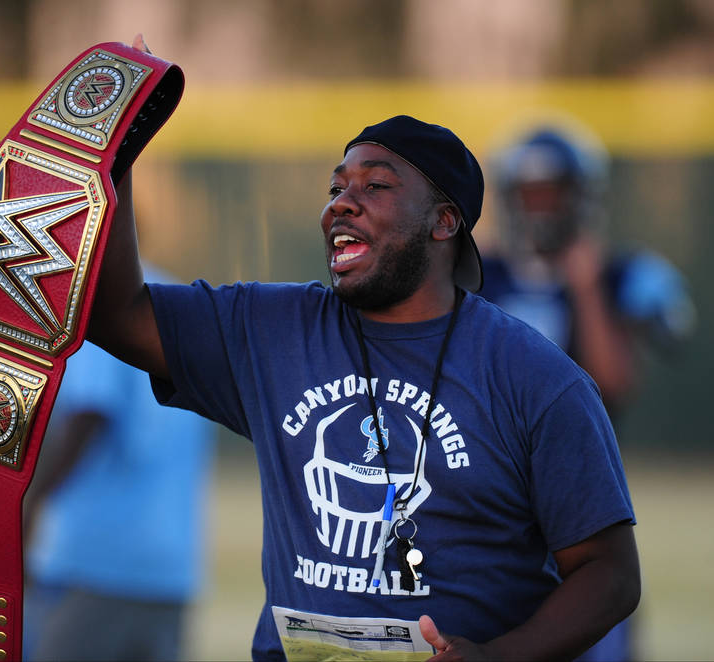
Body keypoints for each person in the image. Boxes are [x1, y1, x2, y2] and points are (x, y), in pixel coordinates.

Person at [88, 34, 640, 662]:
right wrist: (117, 154)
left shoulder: (536, 377)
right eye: (335, 187)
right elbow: (117, 313)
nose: (341, 203)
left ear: (443, 222)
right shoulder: (270, 328)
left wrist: (499, 657)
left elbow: (610, 572)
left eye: (375, 186)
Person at [479, 121, 697, 660]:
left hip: (580, 501)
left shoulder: (616, 273)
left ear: (582, 198)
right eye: (529, 194)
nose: (541, 208)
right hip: (491, 500)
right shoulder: (480, 272)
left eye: (552, 193)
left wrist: (587, 286)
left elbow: (615, 384)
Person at [22, 266, 216, 662]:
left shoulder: (98, 301)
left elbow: (90, 413)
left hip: (95, 564)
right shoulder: (181, 302)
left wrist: (28, 503)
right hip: (171, 567)